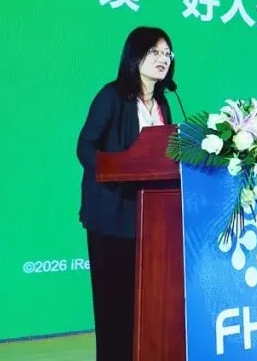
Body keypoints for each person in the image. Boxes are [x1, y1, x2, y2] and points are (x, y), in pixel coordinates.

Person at [76, 26, 176, 361]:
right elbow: (85, 146)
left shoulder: (163, 102)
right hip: (111, 215)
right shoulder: (112, 96)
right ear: (135, 55)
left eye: (167, 53)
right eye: (155, 52)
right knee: (114, 307)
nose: (163, 59)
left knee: (144, 306)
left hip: (151, 220)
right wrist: (112, 172)